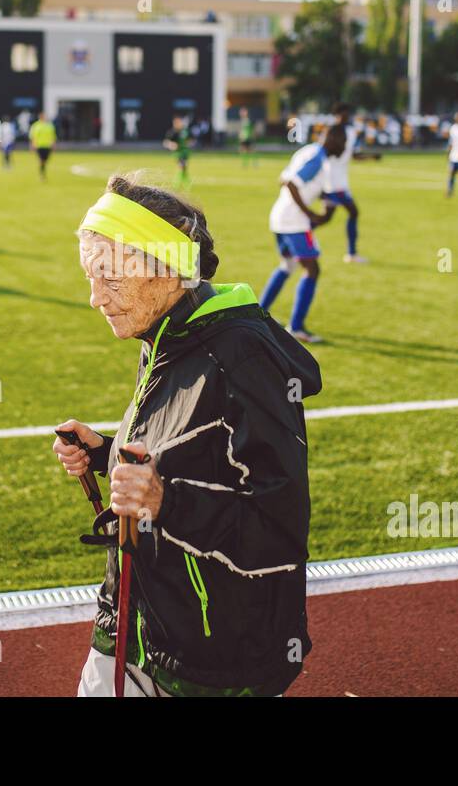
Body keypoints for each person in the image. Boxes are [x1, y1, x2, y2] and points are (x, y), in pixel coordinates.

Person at [54, 174, 319, 697]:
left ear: (165, 270)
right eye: (90, 276)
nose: (93, 298)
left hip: (212, 664)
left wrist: (164, 501)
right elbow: (189, 453)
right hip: (132, 630)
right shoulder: (167, 333)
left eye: (108, 277)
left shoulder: (241, 358)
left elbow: (279, 531)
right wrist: (108, 454)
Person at [258, 123, 346, 343]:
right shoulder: (317, 158)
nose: (345, 147)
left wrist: (324, 206)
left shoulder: (307, 151)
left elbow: (284, 179)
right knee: (312, 269)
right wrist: (310, 213)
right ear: (334, 139)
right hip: (294, 221)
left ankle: (258, 315)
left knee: (287, 265)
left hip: (279, 216)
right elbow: (292, 183)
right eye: (343, 141)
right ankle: (296, 327)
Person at [322, 103, 368, 264]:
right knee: (351, 212)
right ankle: (351, 254)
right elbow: (323, 153)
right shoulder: (331, 131)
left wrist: (370, 157)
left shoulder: (350, 131)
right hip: (332, 182)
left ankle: (352, 253)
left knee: (327, 218)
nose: (345, 116)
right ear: (337, 115)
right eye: (342, 114)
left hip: (340, 181)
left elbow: (353, 154)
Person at [162, 114, 191, 189]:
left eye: (178, 122)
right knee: (181, 167)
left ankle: (187, 183)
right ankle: (177, 185)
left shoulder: (185, 131)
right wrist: (171, 145)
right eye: (175, 122)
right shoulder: (172, 132)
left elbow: (191, 139)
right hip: (178, 153)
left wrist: (189, 143)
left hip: (185, 152)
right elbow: (165, 142)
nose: (177, 124)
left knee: (184, 168)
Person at [29, 110, 57, 181]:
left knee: (45, 160)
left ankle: (42, 170)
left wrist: (53, 145)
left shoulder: (50, 125)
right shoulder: (36, 125)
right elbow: (33, 136)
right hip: (39, 146)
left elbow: (53, 136)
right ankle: (42, 175)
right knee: (41, 160)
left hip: (47, 146)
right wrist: (33, 145)